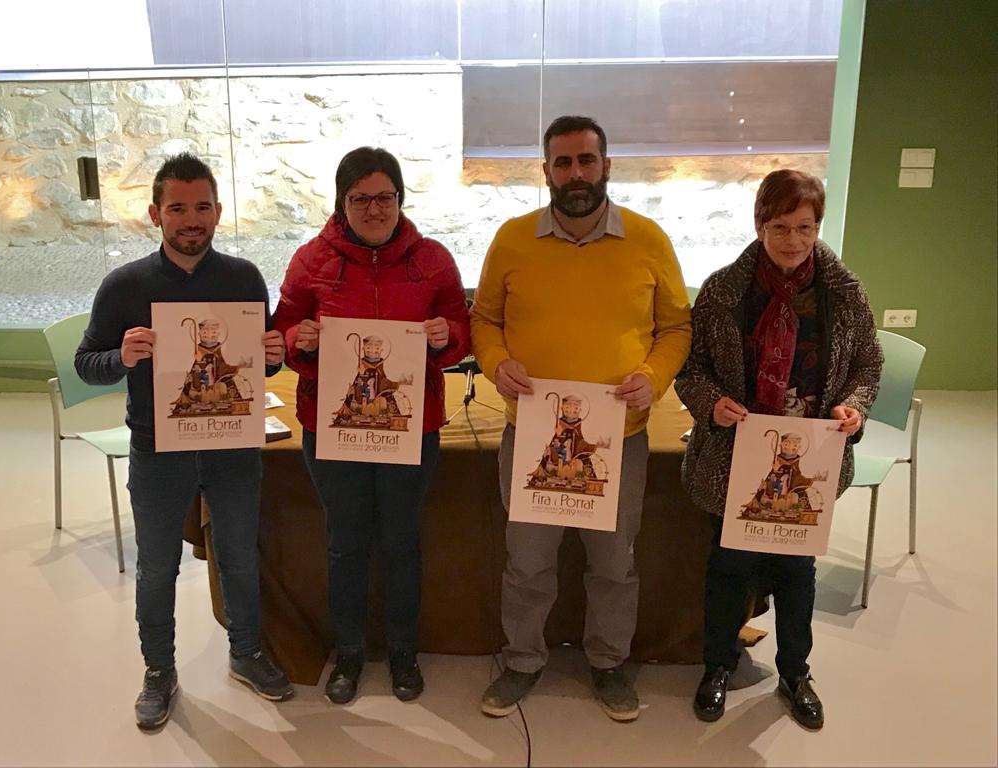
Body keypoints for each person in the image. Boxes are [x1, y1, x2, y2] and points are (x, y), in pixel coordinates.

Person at [471, 115, 692, 722]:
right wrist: (495, 363)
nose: (576, 174)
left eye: (586, 161)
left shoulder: (648, 240)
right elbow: (484, 320)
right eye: (563, 163)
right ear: (546, 171)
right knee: (527, 562)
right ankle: (522, 661)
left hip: (619, 440)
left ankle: (608, 663)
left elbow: (676, 327)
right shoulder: (512, 240)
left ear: (607, 166)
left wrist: (654, 377)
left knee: (614, 564)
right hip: (532, 437)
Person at [74, 153, 293, 730]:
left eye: (202, 207)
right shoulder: (125, 285)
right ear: (155, 214)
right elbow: (85, 364)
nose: (191, 219)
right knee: (156, 567)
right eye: (177, 208)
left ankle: (246, 652)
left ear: (218, 211)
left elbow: (259, 366)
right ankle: (158, 670)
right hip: (157, 449)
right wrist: (120, 357)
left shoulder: (244, 278)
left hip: (232, 447)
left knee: (240, 556)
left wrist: (274, 355)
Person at [675, 169, 883, 730]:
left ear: (818, 227)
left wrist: (854, 407)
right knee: (729, 566)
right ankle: (718, 666)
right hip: (735, 457)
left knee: (796, 570)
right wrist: (712, 403)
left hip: (810, 458)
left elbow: (867, 364)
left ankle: (795, 672)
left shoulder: (844, 293)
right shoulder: (724, 291)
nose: (793, 240)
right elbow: (690, 369)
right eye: (780, 227)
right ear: (759, 224)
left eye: (805, 228)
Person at [272, 146, 471, 705]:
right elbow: (282, 330)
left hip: (410, 426)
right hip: (332, 427)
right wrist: (298, 339)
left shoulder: (433, 260)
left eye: (385, 197)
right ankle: (350, 652)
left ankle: (404, 650)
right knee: (346, 543)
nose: (374, 209)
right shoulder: (310, 260)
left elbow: (462, 331)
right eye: (360, 198)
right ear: (342, 202)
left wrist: (447, 336)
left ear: (401, 199)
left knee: (403, 542)